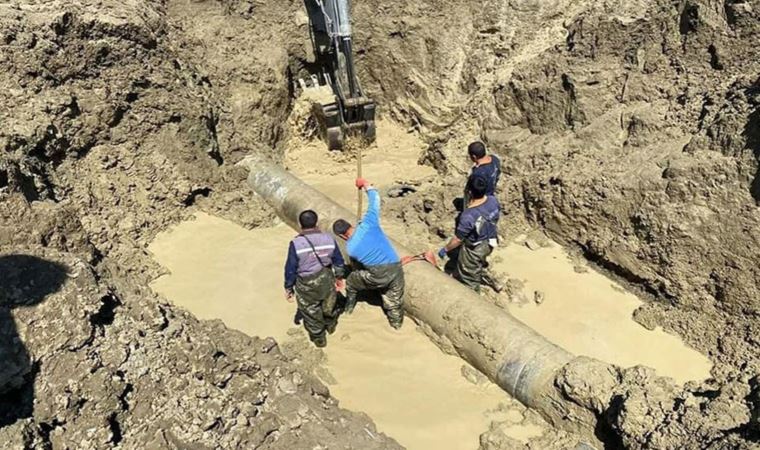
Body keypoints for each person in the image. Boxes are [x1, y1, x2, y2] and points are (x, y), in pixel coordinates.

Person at [332, 178, 405, 329]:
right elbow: (375, 199)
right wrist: (365, 185)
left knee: (352, 281)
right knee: (394, 302)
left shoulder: (351, 248)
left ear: (342, 236)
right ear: (350, 225)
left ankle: (349, 308)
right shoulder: (369, 223)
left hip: (377, 275)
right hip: (396, 268)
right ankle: (397, 326)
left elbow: (357, 265)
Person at [284, 209, 346, 347]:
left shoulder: (296, 244)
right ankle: (331, 326)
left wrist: (289, 287)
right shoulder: (329, 239)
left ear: (301, 224)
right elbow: (338, 260)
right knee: (329, 305)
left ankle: (319, 339)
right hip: (327, 278)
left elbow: (290, 269)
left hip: (306, 283)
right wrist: (339, 277)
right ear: (316, 223)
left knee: (311, 310)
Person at [438, 174, 500, 293]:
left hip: (475, 248)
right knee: (479, 263)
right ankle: (487, 278)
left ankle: (474, 296)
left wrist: (445, 249)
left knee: (469, 276)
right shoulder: (493, 200)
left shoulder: (468, 215)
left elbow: (458, 239)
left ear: (470, 192)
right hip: (491, 240)